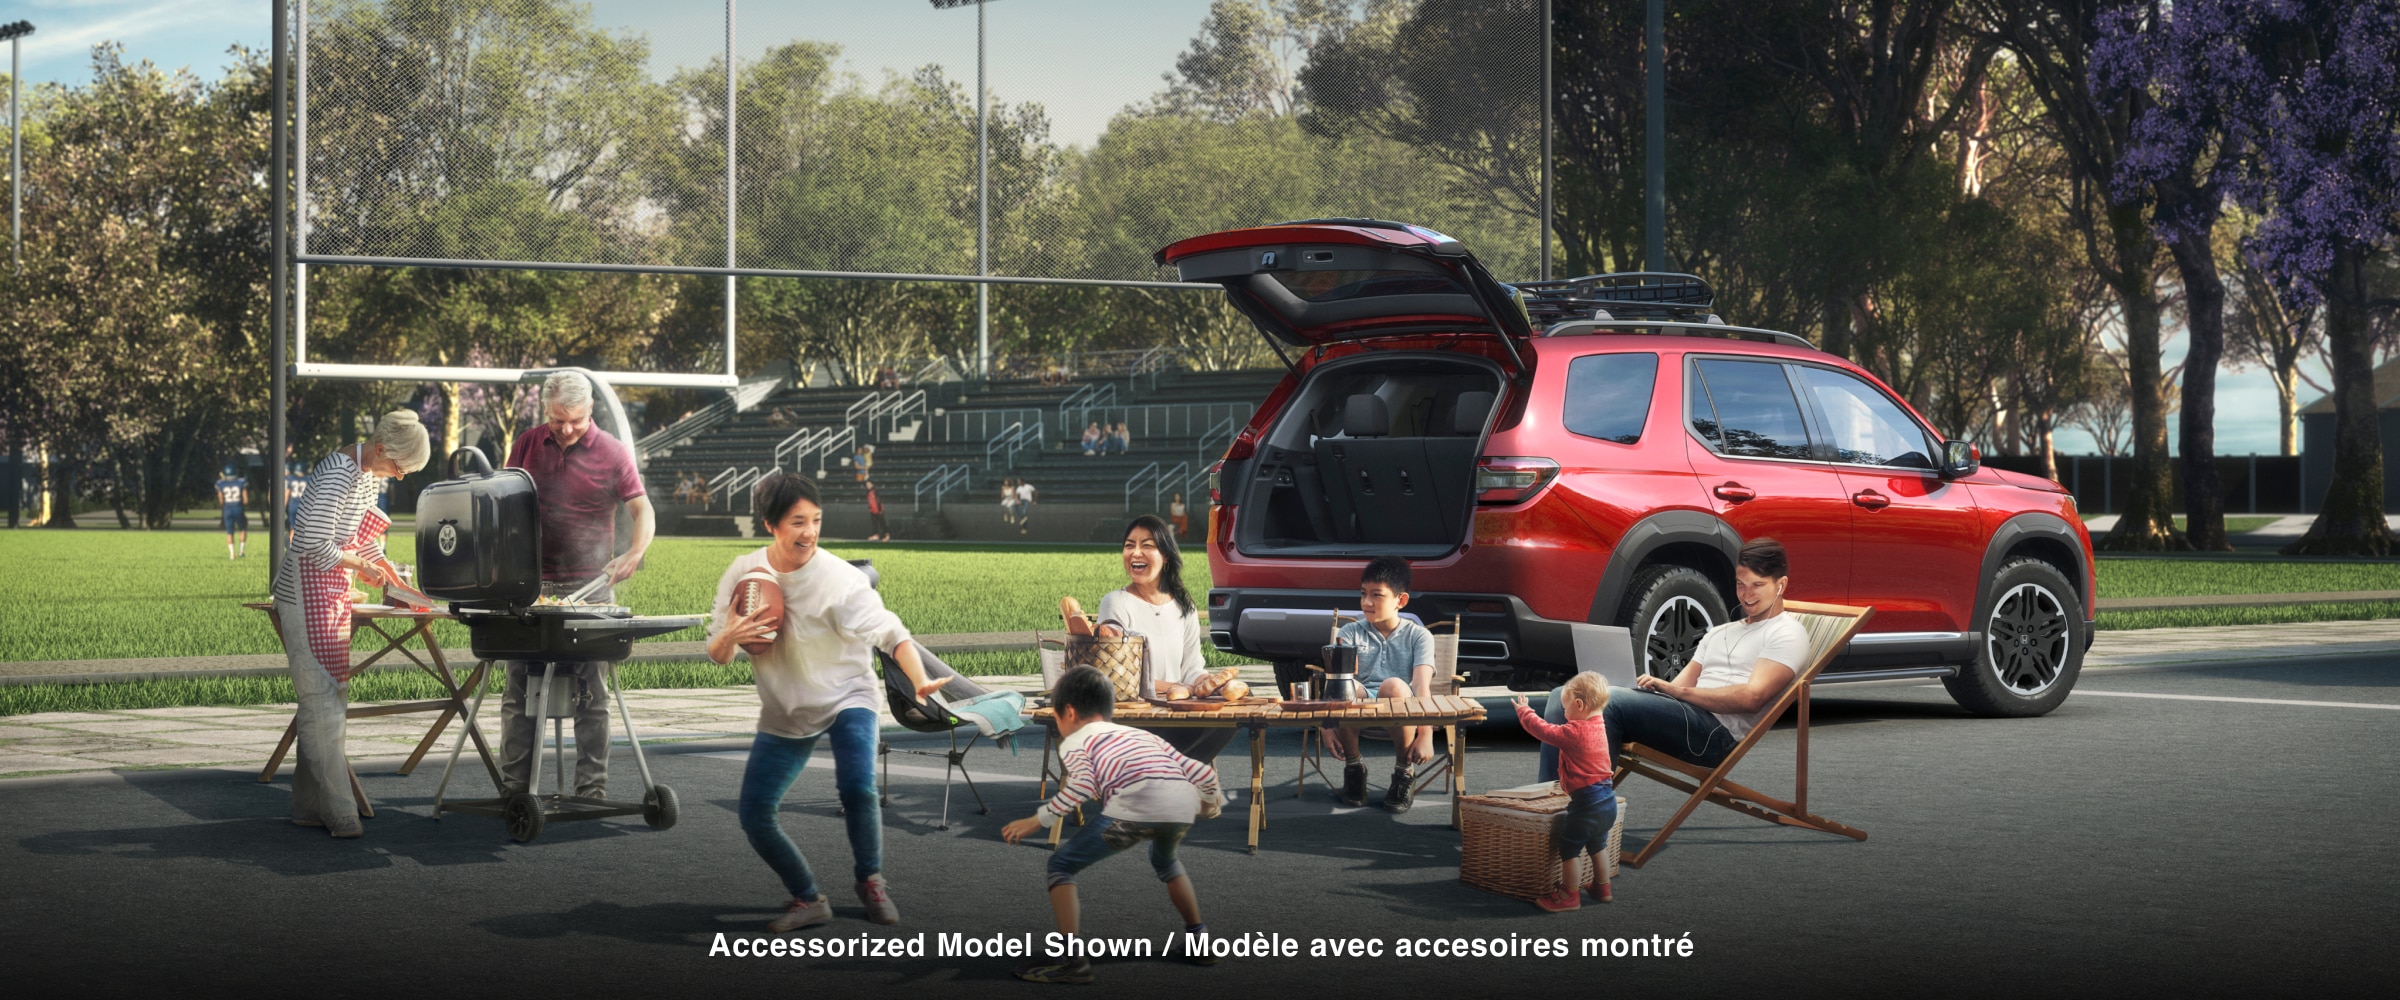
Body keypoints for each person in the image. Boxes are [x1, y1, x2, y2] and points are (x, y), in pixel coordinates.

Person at [709, 472, 949, 931]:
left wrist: (919, 680)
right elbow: (718, 655)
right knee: (754, 814)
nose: (810, 532)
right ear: (770, 525)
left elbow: (893, 634)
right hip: (788, 706)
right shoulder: (744, 574)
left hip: (847, 695)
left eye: (816, 520)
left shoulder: (840, 578)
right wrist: (729, 636)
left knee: (858, 788)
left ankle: (871, 880)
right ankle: (808, 898)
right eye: (798, 522)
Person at [1002, 666, 1224, 984]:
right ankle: (1199, 942)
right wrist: (1209, 803)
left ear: (1069, 712)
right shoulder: (1141, 735)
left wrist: (1036, 820)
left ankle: (1072, 963)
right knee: (1166, 861)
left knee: (1061, 866)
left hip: (1134, 808)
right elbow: (1202, 771)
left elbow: (1080, 788)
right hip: (1179, 806)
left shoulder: (1078, 743)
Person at [499, 371, 657, 802]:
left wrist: (635, 552)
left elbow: (643, 510)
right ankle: (515, 789)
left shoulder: (612, 451)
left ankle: (591, 790)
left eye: (575, 420)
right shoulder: (527, 444)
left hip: (591, 587)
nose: (566, 429)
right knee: (518, 692)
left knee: (594, 696)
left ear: (590, 410)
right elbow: (502, 501)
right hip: (531, 587)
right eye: (557, 420)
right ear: (545, 411)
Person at [271, 411, 430, 837]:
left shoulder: (367, 474)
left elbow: (360, 537)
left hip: (330, 592)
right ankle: (339, 809)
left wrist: (385, 568)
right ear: (380, 449)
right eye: (399, 467)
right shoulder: (337, 474)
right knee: (322, 700)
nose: (399, 476)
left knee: (327, 698)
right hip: (303, 593)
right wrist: (360, 565)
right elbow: (310, 542)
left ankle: (308, 806)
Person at [1534, 537, 1810, 782]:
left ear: (1781, 585)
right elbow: (1678, 689)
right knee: (1564, 695)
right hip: (1686, 717)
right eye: (1740, 584)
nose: (1746, 595)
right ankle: (1549, 804)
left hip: (1715, 736)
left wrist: (1677, 692)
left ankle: (1584, 811)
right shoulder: (1721, 631)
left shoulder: (1787, 633)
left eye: (1757, 585)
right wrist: (1646, 690)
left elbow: (1752, 698)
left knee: (1608, 703)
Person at [1061, 515, 1233, 765]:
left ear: (1166, 556)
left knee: (1231, 716)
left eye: (1147, 545)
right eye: (1129, 545)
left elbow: (1192, 667)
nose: (1135, 553)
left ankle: (1168, 771)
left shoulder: (1184, 606)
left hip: (1177, 713)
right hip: (1137, 716)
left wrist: (1207, 683)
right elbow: (1121, 679)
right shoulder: (1116, 602)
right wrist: (1179, 688)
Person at [1324, 556, 1438, 811]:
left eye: (1377, 595)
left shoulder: (1419, 636)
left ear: (1401, 600)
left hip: (1401, 706)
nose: (1366, 602)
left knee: (1393, 685)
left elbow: (1421, 687)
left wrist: (1426, 734)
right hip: (1360, 707)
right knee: (1348, 687)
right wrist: (1326, 727)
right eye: (1363, 594)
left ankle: (1403, 772)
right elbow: (1335, 684)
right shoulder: (1350, 633)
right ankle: (1354, 767)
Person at [1512, 674, 1617, 911]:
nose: (1564, 712)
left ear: (1579, 705)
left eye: (1565, 707)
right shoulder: (1599, 725)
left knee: (1570, 848)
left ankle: (1569, 894)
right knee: (1598, 845)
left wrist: (1525, 712)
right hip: (1607, 800)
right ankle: (1603, 887)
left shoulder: (1575, 731)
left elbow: (1545, 731)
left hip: (1586, 803)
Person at [214, 464, 249, 560]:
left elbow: (221, 501)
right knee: (243, 529)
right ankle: (241, 551)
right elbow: (246, 500)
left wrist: (227, 506)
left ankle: (232, 555)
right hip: (238, 508)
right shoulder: (241, 482)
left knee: (229, 532)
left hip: (227, 509)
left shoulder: (221, 484)